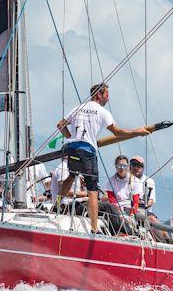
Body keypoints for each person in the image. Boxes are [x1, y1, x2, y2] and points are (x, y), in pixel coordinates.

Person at [56, 83, 150, 232]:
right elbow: (117, 132)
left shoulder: (77, 108)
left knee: (72, 176)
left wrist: (71, 136)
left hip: (72, 148)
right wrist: (137, 132)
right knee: (92, 189)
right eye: (107, 95)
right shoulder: (102, 111)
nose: (108, 99)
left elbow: (60, 125)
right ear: (98, 95)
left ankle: (56, 206)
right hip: (87, 150)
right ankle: (94, 228)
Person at [100, 155, 143, 235]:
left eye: (124, 166)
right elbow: (112, 200)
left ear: (128, 166)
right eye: (119, 166)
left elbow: (135, 202)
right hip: (115, 209)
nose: (121, 168)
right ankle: (123, 232)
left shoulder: (135, 181)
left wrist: (131, 215)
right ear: (116, 167)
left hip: (129, 209)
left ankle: (127, 232)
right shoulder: (111, 180)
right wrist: (119, 214)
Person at [129, 156, 159, 223]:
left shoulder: (149, 181)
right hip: (126, 209)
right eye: (134, 164)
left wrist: (140, 203)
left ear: (143, 168)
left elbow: (150, 201)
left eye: (139, 166)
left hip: (144, 212)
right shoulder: (124, 179)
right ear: (129, 166)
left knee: (161, 229)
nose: (136, 168)